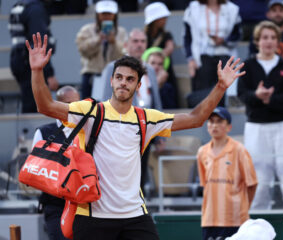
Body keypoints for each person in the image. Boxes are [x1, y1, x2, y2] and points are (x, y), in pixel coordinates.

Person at [26, 32, 245, 240]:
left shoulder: (146, 118)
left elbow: (196, 118)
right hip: (93, 215)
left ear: (138, 86)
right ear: (111, 81)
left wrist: (220, 86)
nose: (123, 82)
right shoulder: (91, 111)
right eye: (119, 77)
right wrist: (37, 71)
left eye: (130, 79)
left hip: (134, 214)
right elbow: (45, 105)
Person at [238, 21, 283, 210]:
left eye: (273, 38)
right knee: (260, 177)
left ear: (278, 41)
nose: (269, 41)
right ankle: (257, 219)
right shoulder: (247, 65)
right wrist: (257, 96)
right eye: (265, 37)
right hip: (256, 127)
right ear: (257, 41)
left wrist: (268, 100)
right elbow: (243, 94)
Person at [96, 28, 162, 192]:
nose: (139, 45)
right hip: (118, 128)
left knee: (140, 173)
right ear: (126, 44)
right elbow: (104, 99)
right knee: (118, 173)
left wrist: (160, 135)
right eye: (135, 41)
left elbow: (156, 101)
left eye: (142, 42)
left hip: (144, 128)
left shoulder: (150, 70)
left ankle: (137, 208)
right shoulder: (113, 67)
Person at [197, 107, 258, 240]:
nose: (214, 125)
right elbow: (205, 185)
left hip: (235, 219)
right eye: (211, 121)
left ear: (229, 127)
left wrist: (243, 210)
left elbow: (252, 184)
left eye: (219, 121)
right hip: (209, 219)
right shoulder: (202, 152)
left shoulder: (239, 150)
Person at [32, 86, 80, 240]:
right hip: (55, 205)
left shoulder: (90, 131)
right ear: (57, 105)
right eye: (68, 103)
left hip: (85, 205)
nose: (73, 108)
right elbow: (35, 170)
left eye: (77, 104)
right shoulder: (43, 133)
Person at [183, 0, 241, 106]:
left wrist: (224, 40)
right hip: (201, 57)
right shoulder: (193, 8)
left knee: (223, 92)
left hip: (225, 55)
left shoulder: (232, 9)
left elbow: (237, 35)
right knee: (204, 97)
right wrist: (190, 59)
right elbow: (187, 37)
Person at [8, 0, 59, 113]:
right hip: (30, 64)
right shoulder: (35, 9)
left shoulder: (19, 5)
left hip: (18, 59)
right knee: (36, 105)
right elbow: (39, 43)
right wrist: (49, 74)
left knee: (29, 101)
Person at [76, 0, 127, 99]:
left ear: (114, 15)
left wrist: (114, 43)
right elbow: (83, 51)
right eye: (103, 14)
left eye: (109, 14)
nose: (106, 17)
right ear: (97, 15)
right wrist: (98, 40)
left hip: (114, 75)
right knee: (88, 107)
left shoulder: (121, 32)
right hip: (91, 74)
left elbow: (124, 54)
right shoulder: (86, 30)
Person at [144, 2, 178, 108]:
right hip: (147, 74)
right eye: (162, 18)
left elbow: (170, 47)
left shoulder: (166, 35)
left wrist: (158, 58)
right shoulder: (144, 36)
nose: (165, 20)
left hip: (165, 72)